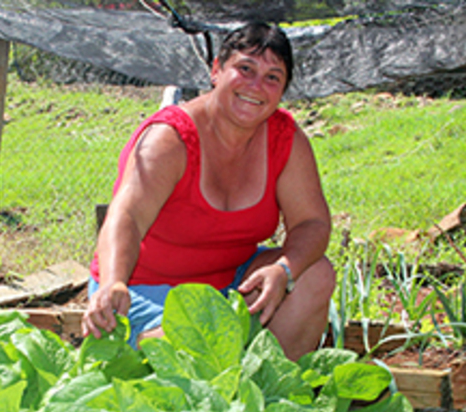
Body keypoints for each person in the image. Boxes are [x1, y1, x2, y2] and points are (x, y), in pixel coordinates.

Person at [82, 22, 335, 361]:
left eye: (272, 77)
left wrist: (284, 270)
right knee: (192, 343)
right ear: (217, 70)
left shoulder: (284, 138)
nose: (256, 86)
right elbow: (126, 216)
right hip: (146, 290)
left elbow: (312, 223)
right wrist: (114, 283)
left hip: (229, 285)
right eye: (245, 69)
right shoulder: (170, 138)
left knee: (314, 274)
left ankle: (271, 395)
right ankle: (156, 354)